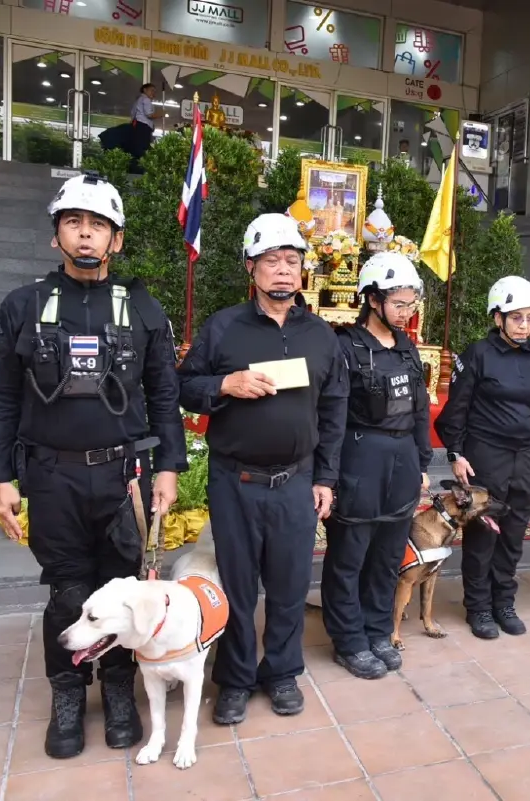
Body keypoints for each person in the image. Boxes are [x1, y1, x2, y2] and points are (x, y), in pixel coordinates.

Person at [0, 173, 186, 759]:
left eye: (98, 225)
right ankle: (67, 695)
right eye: (74, 222)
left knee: (122, 596)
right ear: (56, 236)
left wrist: (169, 467)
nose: (86, 234)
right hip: (52, 475)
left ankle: (120, 692)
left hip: (122, 479)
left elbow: (164, 396)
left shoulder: (141, 307)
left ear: (116, 239)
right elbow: (1, 398)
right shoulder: (23, 307)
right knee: (69, 594)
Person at [177, 213, 348, 723]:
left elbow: (335, 408)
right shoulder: (224, 327)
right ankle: (234, 678)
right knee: (236, 584)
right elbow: (185, 386)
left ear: (303, 272)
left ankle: (281, 672)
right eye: (271, 261)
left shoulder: (321, 336)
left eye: (292, 261)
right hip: (236, 482)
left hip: (295, 482)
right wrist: (224, 386)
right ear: (251, 268)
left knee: (291, 584)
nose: (282, 271)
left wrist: (325, 477)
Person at [320, 251, 432, 680]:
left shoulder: (407, 350)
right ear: (372, 299)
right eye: (398, 303)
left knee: (387, 556)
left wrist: (422, 462)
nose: (406, 313)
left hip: (401, 462)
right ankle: (348, 640)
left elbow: (421, 412)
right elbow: (331, 415)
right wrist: (328, 475)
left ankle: (377, 629)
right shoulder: (345, 347)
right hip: (359, 459)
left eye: (410, 304)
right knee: (349, 557)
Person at [435, 276, 530, 640]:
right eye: (516, 318)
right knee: (483, 536)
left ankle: (504, 602)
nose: (524, 326)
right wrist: (456, 453)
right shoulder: (478, 354)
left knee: (514, 535)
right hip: (486, 456)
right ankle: (478, 607)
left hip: (525, 458)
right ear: (498, 318)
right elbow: (455, 411)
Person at [129, 83, 160, 166]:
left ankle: (135, 166)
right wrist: (161, 114)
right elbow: (149, 114)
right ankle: (141, 167)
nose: (153, 93)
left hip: (137, 126)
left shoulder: (138, 100)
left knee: (137, 148)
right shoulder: (146, 100)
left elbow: (132, 114)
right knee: (143, 149)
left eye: (154, 91)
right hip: (143, 127)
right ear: (145, 90)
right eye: (152, 90)